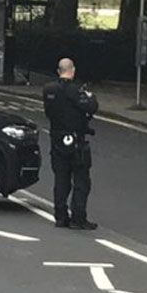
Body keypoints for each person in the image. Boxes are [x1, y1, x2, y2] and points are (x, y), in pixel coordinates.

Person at [43, 58, 99, 230]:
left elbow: (48, 113)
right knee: (81, 181)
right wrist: (90, 98)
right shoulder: (75, 91)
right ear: (72, 70)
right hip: (76, 141)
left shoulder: (48, 90)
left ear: (59, 71)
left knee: (61, 180)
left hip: (56, 138)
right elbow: (91, 107)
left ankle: (60, 216)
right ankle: (78, 217)